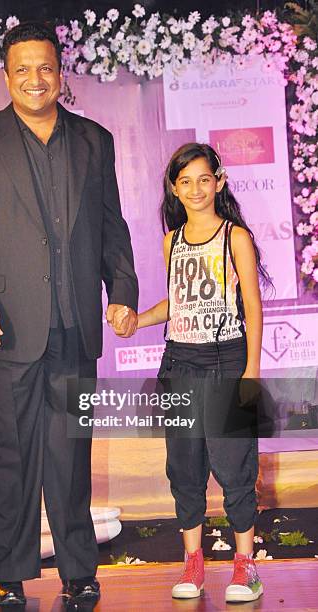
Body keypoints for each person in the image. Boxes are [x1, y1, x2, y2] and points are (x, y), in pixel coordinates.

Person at [0, 21, 138, 608]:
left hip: (74, 326)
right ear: (6, 76)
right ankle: (8, 571)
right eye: (22, 68)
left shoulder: (93, 141)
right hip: (5, 327)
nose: (35, 79)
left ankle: (79, 570)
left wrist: (121, 290)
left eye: (45, 67)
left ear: (60, 72)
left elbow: (112, 227)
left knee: (71, 456)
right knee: (10, 455)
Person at [114, 142, 271, 603]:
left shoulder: (235, 237)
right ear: (174, 188)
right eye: (186, 181)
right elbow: (177, 303)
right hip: (180, 363)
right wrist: (137, 320)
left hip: (227, 361)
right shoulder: (172, 241)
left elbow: (252, 307)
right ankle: (194, 563)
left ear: (219, 182)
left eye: (205, 179)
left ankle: (245, 567)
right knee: (184, 467)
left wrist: (252, 370)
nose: (196, 188)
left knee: (234, 465)